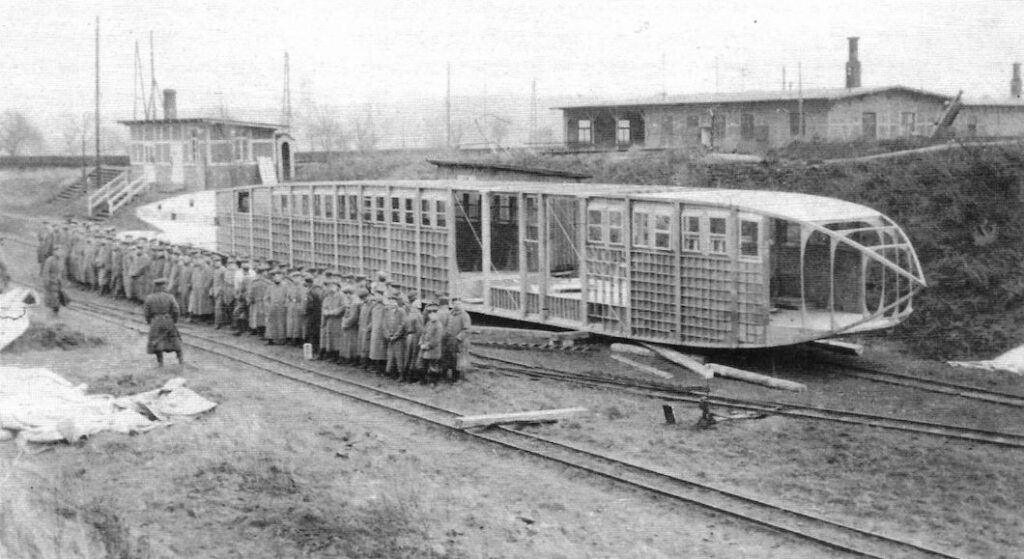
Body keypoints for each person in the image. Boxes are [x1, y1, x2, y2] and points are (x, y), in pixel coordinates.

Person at [143, 278, 183, 367]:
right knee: (175, 340)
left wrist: (150, 321)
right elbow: (176, 310)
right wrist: (174, 320)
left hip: (156, 322)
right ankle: (181, 361)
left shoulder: (149, 298)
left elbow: (146, 313)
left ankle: (161, 363)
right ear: (163, 287)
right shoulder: (170, 297)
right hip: (168, 321)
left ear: (156, 287)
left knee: (157, 343)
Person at [443, 297, 473, 381]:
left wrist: (459, 337)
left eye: (459, 304)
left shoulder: (464, 315)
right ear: (452, 305)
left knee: (459, 359)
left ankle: (457, 377)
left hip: (459, 342)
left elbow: (467, 329)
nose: (457, 305)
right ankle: (449, 376)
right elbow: (447, 325)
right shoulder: (450, 314)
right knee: (450, 358)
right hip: (450, 341)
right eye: (455, 304)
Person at [382, 295, 407, 378]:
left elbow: (402, 325)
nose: (392, 304)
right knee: (390, 356)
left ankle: (401, 375)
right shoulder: (387, 312)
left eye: (393, 302)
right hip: (390, 338)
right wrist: (387, 335)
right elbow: (384, 324)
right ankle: (391, 373)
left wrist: (395, 336)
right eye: (390, 301)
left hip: (399, 339)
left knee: (399, 357)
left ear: (397, 303)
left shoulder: (401, 312)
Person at [319, 279, 344, 360]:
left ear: (338, 287)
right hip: (329, 320)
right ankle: (329, 353)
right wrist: (325, 312)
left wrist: (333, 312)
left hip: (337, 320)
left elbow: (342, 307)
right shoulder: (328, 297)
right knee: (328, 337)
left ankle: (336, 354)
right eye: (331, 286)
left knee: (336, 337)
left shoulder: (341, 296)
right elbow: (324, 307)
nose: (332, 288)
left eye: (334, 286)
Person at [419, 303, 444, 384]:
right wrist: (421, 343)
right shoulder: (429, 323)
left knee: (433, 366)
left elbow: (436, 340)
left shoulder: (438, 325)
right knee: (424, 365)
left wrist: (427, 346)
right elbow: (423, 333)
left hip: (433, 349)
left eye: (433, 313)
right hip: (425, 348)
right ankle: (424, 381)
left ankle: (433, 382)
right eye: (430, 313)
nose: (431, 315)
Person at [263, 270, 289, 345]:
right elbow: (266, 298)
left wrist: (285, 305)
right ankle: (271, 339)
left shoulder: (285, 286)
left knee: (281, 323)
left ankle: (281, 339)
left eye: (278, 277)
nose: (276, 279)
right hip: (272, 308)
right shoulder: (270, 287)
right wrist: (268, 306)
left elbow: (288, 296)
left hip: (281, 308)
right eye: (275, 277)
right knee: (271, 323)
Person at [40, 245, 66, 318]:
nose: (60, 253)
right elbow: (45, 272)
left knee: (58, 298)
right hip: (51, 282)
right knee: (52, 298)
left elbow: (62, 272)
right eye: (58, 251)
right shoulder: (50, 260)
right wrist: (46, 282)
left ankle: (55, 313)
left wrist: (62, 281)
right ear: (54, 252)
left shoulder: (61, 260)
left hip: (58, 282)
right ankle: (50, 314)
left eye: (61, 251)